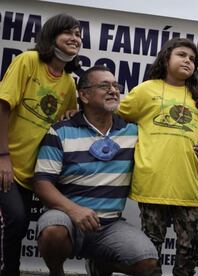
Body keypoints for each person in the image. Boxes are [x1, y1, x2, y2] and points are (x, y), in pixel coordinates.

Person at [33, 65, 158, 276]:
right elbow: (42, 183)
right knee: (53, 231)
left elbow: (167, 143)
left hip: (109, 225)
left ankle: (100, 265)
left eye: (115, 85)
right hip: (66, 218)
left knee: (146, 261)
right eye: (104, 85)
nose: (113, 90)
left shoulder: (134, 131)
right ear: (84, 95)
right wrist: (74, 211)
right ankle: (57, 272)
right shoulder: (61, 130)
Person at [118, 37, 198, 275]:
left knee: (194, 239)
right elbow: (116, 120)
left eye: (193, 59)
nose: (188, 61)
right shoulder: (145, 90)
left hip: (187, 186)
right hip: (151, 181)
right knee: (150, 246)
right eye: (182, 55)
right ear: (166, 58)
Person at [0, 14, 81, 275]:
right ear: (51, 35)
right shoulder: (29, 61)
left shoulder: (68, 82)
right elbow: (2, 106)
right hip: (6, 162)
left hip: (30, 173)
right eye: (68, 32)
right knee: (16, 219)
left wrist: (70, 115)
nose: (75, 38)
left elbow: (65, 120)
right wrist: (2, 156)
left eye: (79, 34)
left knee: (19, 226)